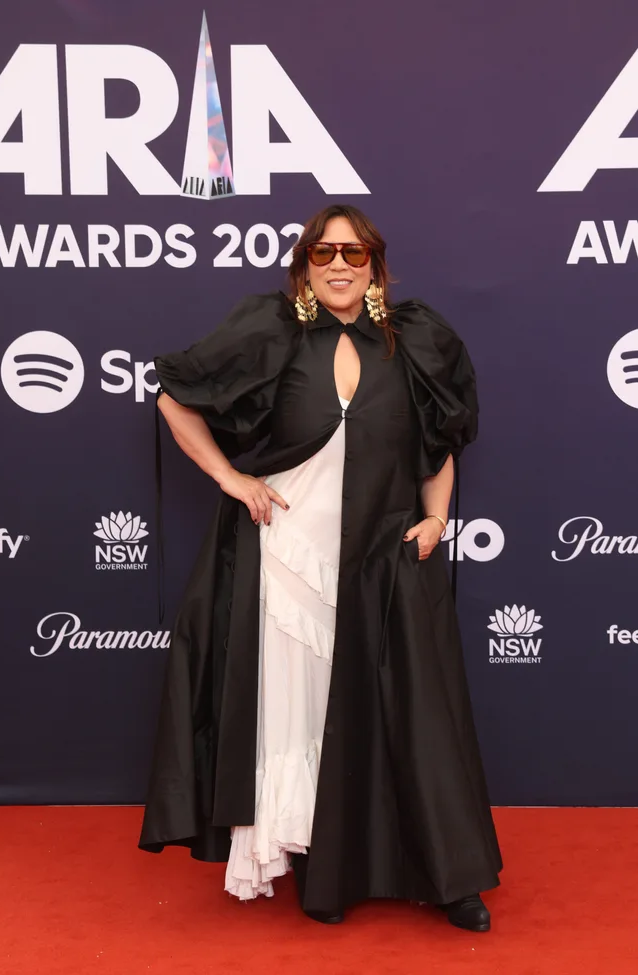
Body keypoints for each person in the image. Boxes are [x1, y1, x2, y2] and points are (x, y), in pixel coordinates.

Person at [138, 204, 503, 932]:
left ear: (376, 266)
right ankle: (320, 862)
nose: (340, 264)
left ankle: (448, 875)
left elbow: (440, 443)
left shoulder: (415, 340)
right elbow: (174, 397)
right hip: (289, 557)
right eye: (324, 252)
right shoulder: (272, 332)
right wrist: (231, 478)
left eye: (354, 253)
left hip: (385, 556)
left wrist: (436, 518)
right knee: (302, 715)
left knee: (414, 714)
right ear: (305, 265)